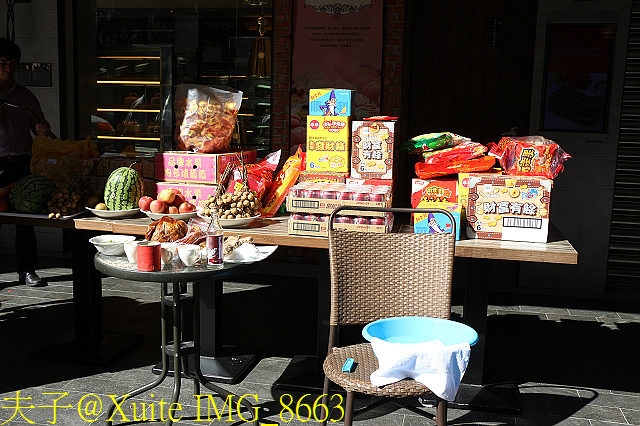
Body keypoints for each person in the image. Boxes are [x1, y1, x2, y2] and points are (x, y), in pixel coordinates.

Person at [0, 38, 51, 287]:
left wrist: (41, 129)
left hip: (22, 162)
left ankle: (28, 269)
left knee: (26, 218)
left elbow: (40, 128)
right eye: (2, 63)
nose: (8, 68)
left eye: (12, 63)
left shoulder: (25, 96)